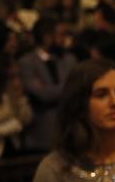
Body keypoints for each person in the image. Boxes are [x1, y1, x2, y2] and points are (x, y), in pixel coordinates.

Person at [18, 16, 78, 152]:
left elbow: (77, 88)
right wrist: (68, 86)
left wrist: (50, 88)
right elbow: (43, 95)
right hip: (41, 134)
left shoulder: (69, 59)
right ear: (47, 37)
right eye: (61, 34)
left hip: (69, 130)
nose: (65, 39)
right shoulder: (27, 62)